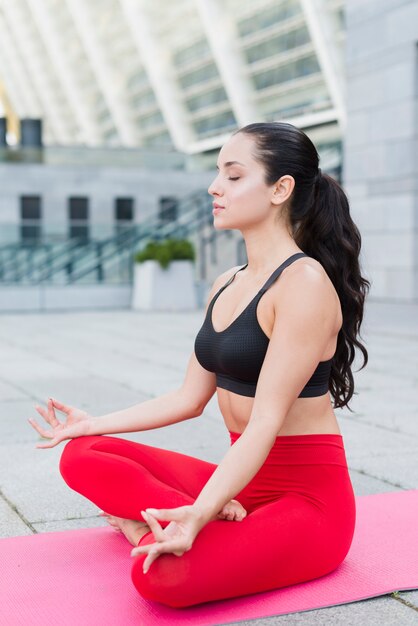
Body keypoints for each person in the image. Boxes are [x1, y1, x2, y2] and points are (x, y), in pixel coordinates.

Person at [28, 121, 370, 609]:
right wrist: (92, 423)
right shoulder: (227, 282)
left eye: (233, 176)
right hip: (239, 481)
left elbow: (264, 423)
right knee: (82, 453)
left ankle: (157, 524)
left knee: (161, 577)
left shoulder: (304, 284)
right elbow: (189, 399)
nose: (214, 187)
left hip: (306, 503)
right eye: (217, 174)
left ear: (281, 189)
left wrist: (199, 510)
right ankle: (199, 515)